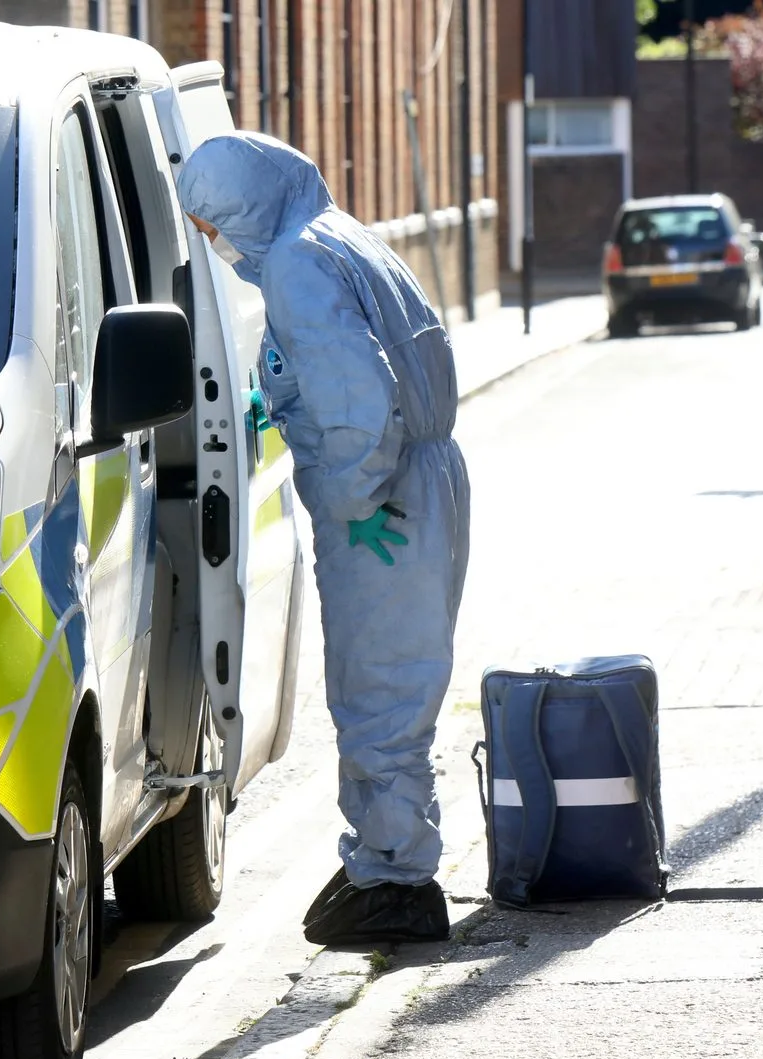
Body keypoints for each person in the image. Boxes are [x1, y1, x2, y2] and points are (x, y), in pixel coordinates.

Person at [177, 132, 470, 946]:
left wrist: (351, 497)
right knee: (395, 680)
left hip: (385, 504)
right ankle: (384, 856)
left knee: (378, 687)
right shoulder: (338, 236)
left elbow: (360, 401)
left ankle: (400, 878)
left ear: (243, 207)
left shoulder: (298, 267)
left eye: (212, 223)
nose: (212, 240)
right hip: (422, 479)